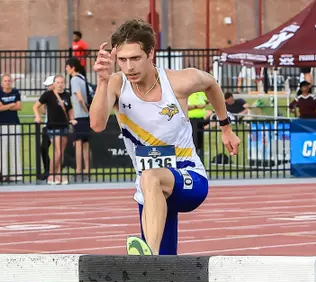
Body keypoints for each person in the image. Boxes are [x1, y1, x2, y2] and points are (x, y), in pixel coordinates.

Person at [89, 19, 240, 256]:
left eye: (136, 58)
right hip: (151, 195)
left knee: (150, 178)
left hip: (190, 179)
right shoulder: (117, 84)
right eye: (123, 60)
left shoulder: (179, 82)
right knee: (166, 275)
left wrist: (226, 128)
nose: (129, 67)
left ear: (151, 53)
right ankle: (157, 266)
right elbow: (97, 125)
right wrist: (103, 81)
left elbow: (211, 83)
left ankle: (148, 256)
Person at [33, 75, 74, 185]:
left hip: (64, 125)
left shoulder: (66, 95)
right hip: (53, 126)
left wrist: (72, 119)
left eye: (62, 82)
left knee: (61, 152)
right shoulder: (48, 94)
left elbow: (69, 108)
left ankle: (58, 173)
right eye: (58, 82)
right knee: (58, 151)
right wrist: (37, 116)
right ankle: (51, 174)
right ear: (54, 84)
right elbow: (36, 106)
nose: (60, 84)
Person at [66, 57, 92, 178]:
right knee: (86, 144)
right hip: (86, 116)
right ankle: (87, 169)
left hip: (79, 115)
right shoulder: (83, 78)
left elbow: (80, 97)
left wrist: (85, 109)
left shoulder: (74, 79)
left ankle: (78, 170)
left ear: (72, 68)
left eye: (67, 66)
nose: (66, 69)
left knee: (78, 144)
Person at [0, 74, 22, 182]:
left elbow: (19, 107)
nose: (7, 82)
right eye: (5, 81)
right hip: (2, 124)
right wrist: (11, 105)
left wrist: (6, 106)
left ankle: (17, 174)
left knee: (15, 149)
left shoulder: (16, 92)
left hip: (14, 123)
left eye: (9, 80)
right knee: (2, 150)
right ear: (2, 83)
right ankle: (4, 174)